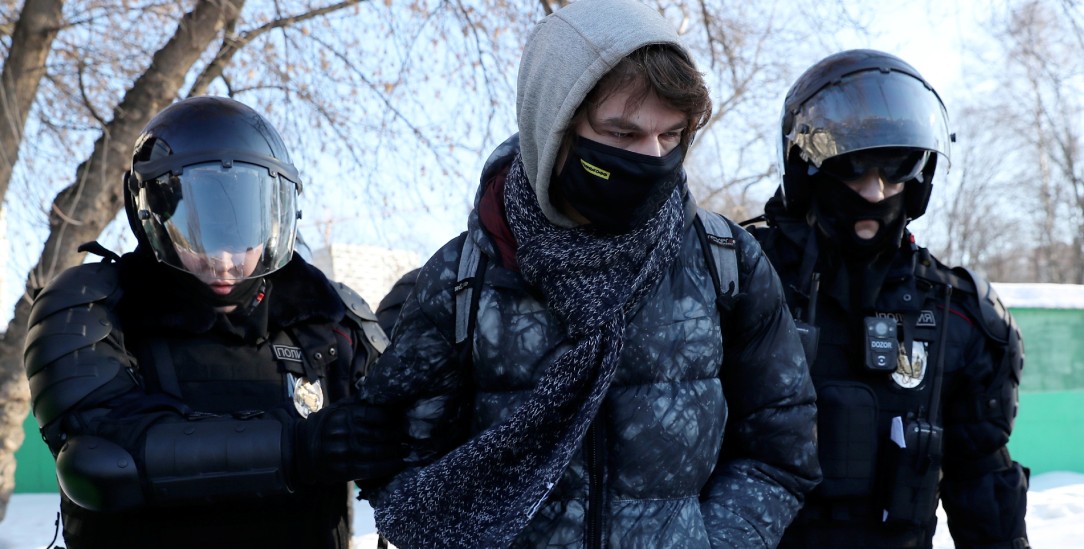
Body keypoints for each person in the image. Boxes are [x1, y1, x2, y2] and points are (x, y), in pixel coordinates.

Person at [359, 0, 821, 546]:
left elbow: (781, 449)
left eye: (670, 136)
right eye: (623, 136)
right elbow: (397, 461)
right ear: (554, 129)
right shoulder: (463, 278)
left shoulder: (727, 261)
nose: (652, 158)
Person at [23, 96, 404, 548]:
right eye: (199, 231)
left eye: (241, 233)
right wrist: (300, 448)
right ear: (150, 213)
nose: (224, 261)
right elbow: (105, 457)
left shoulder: (328, 316)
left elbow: (407, 426)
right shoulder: (93, 306)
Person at [746, 49, 1030, 548]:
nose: (875, 193)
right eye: (854, 166)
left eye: (895, 168)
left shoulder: (959, 313)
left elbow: (983, 486)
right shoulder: (741, 283)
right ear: (806, 168)